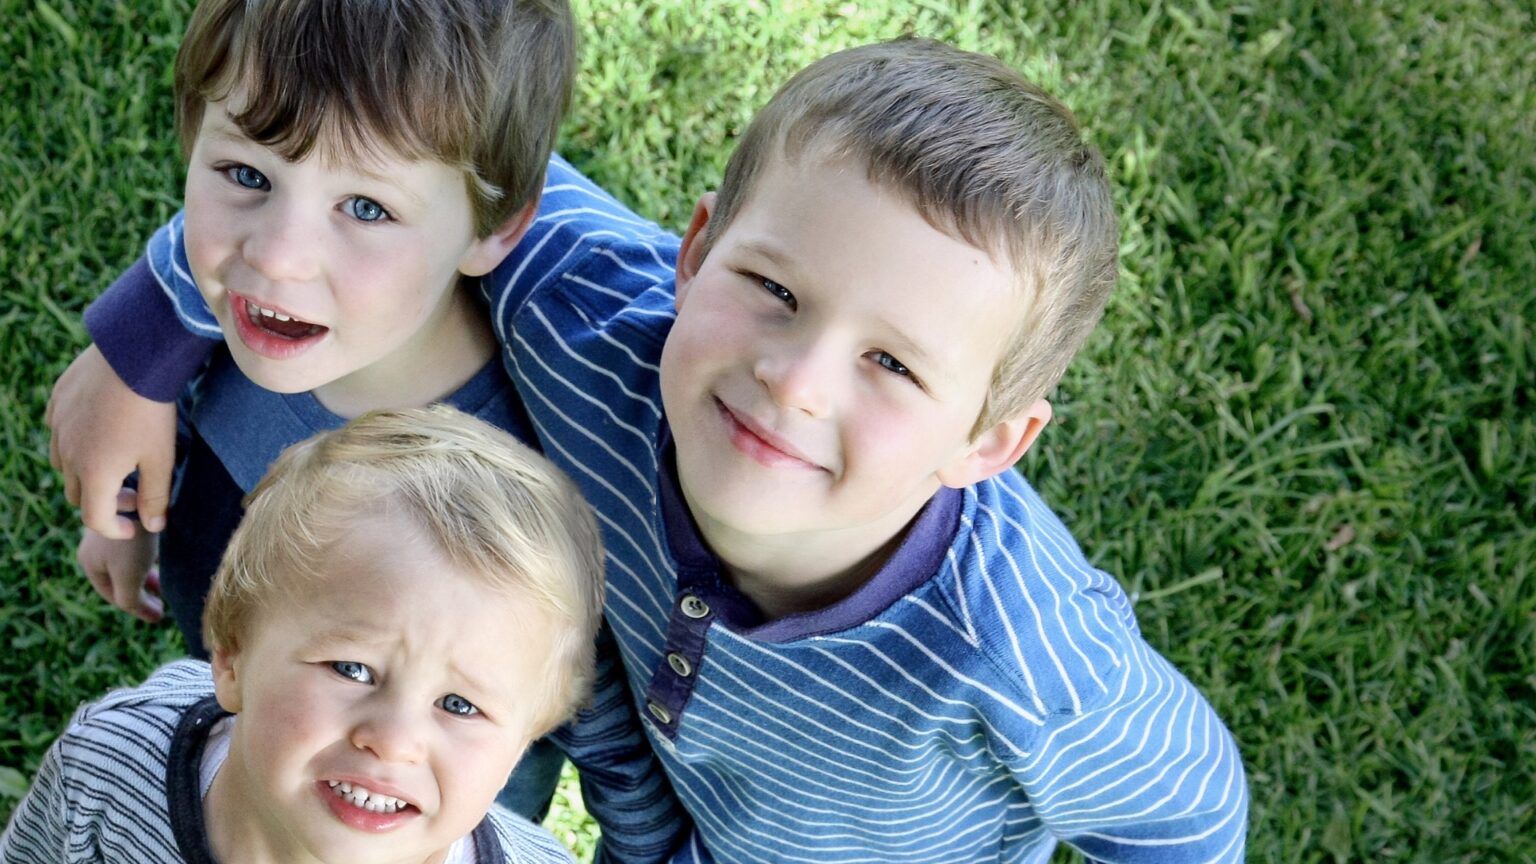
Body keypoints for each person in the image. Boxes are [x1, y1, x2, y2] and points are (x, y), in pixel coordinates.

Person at [50, 38, 1249, 860]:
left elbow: (1189, 817)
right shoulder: (591, 305)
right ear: (695, 249)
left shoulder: (1023, 646)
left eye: (893, 363)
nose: (794, 376)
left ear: (991, 439)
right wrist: (141, 349)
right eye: (773, 287)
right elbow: (383, 159)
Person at [47, 0, 675, 833]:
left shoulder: (531, 474)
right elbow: (185, 421)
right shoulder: (277, 320)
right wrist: (132, 515)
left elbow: (602, 723)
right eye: (246, 175)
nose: (276, 254)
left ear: (497, 228)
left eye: (368, 208)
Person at [2, 407, 603, 863]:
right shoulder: (112, 763)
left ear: (526, 739)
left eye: (460, 705)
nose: (394, 741)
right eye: (352, 669)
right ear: (233, 656)